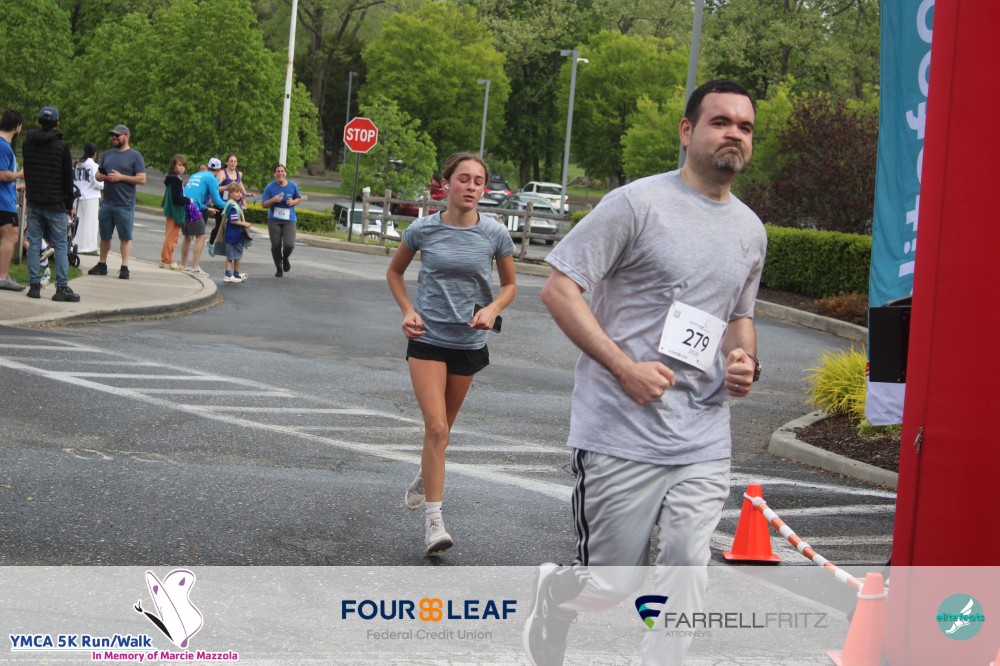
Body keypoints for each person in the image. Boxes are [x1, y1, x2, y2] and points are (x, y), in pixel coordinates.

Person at [523, 80, 766, 666]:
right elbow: (559, 290)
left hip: (702, 432)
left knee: (689, 570)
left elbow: (739, 316)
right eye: (720, 121)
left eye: (745, 126)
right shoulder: (636, 205)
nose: (734, 134)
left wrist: (744, 361)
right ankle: (557, 592)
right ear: (687, 131)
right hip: (621, 429)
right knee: (612, 585)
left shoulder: (750, 230)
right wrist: (625, 367)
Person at [386, 151, 516, 556]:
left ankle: (426, 475)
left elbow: (510, 287)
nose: (471, 186)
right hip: (427, 339)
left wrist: (492, 309)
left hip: (468, 343)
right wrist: (407, 311)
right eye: (464, 178)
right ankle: (434, 524)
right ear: (447, 184)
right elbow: (394, 272)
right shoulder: (423, 229)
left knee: (441, 433)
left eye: (478, 181)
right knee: (438, 429)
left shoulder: (495, 234)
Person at [21, 106, 79, 302]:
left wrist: (30, 196)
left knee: (34, 242)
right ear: (57, 123)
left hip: (35, 200)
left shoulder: (27, 143)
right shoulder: (61, 146)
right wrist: (69, 204)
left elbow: (28, 171)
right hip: (55, 202)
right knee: (61, 244)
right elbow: (67, 178)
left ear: (39, 121)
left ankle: (34, 285)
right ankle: (61, 287)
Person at [90, 124, 146, 280]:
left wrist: (121, 177)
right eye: (112, 135)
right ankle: (102, 264)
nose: (114, 138)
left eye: (117, 135)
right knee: (105, 236)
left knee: (125, 237)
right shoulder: (108, 154)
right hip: (107, 202)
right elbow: (98, 173)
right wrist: (99, 176)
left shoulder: (135, 156)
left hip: (125, 203)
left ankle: (124, 267)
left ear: (126, 136)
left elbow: (142, 179)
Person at [180, 157, 226, 276]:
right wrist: (232, 205)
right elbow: (218, 201)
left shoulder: (196, 175)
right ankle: (195, 267)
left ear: (208, 166)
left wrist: (206, 208)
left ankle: (183, 265)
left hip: (182, 206)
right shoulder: (212, 179)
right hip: (192, 208)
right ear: (219, 170)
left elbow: (193, 195)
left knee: (187, 237)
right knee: (200, 236)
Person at [0, 109, 25, 292]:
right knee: (12, 235)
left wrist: (16, 184)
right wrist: (19, 174)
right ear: (17, 127)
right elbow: (2, 174)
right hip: (3, 202)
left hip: (5, 196)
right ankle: (2, 276)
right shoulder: (3, 146)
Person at [261, 164, 302, 277]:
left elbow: (298, 198)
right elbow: (264, 204)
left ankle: (285, 258)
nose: (280, 173)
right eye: (278, 171)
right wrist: (273, 200)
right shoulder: (270, 187)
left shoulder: (292, 186)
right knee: (276, 245)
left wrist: (293, 202)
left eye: (282, 171)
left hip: (289, 219)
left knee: (289, 245)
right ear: (275, 174)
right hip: (274, 220)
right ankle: (279, 268)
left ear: (285, 173)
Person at [160, 154, 193, 269]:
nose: (182, 167)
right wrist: (189, 200)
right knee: (172, 237)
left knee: (169, 235)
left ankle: (164, 259)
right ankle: (167, 260)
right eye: (179, 165)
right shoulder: (175, 180)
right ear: (173, 165)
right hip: (175, 212)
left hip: (170, 210)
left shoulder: (171, 178)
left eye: (183, 165)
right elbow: (177, 198)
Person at [72, 142, 103, 255]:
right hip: (91, 197)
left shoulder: (77, 164)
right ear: (95, 153)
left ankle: (76, 245)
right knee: (90, 223)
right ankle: (89, 247)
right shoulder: (94, 166)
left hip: (78, 196)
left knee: (78, 223)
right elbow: (99, 184)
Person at [219, 183, 250, 283]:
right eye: (236, 192)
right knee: (234, 256)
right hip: (234, 235)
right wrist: (244, 224)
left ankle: (232, 274)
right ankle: (230, 274)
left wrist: (243, 198)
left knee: (233, 255)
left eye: (240, 192)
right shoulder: (233, 207)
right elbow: (234, 221)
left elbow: (244, 206)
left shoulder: (231, 204)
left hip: (231, 234)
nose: (239, 194)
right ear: (230, 193)